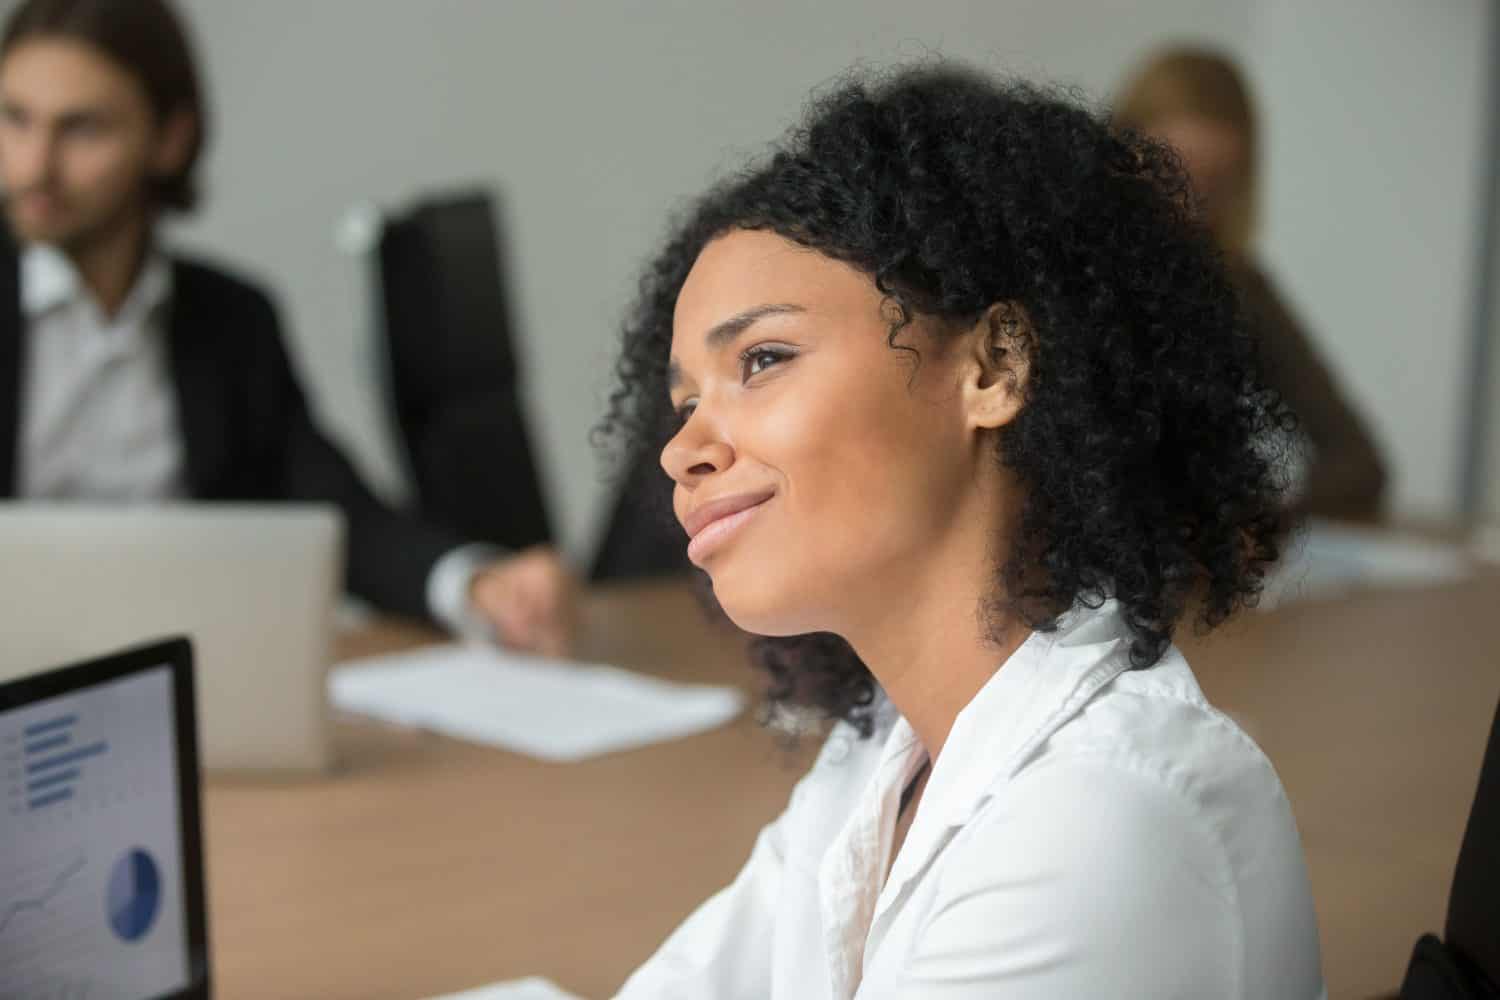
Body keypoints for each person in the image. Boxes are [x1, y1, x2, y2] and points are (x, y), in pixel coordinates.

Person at [597, 65, 1325, 997]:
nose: (682, 450)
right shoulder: (882, 758)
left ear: (995, 366)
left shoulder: (1103, 820)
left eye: (763, 359)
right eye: (687, 400)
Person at [0, 0, 573, 654]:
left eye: (81, 130)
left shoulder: (229, 320)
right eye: (14, 120)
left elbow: (337, 515)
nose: (31, 167)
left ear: (170, 140)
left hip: (198, 673)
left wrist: (472, 584)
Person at [1116, 45, 1388, 521]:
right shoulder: (1057, 270)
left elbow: (1358, 462)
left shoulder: (1239, 288)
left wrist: (1254, 526)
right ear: (1121, 153)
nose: (1187, 205)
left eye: (1212, 183)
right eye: (1170, 173)